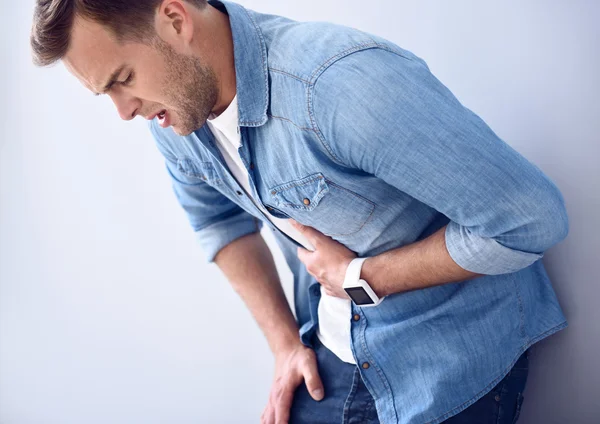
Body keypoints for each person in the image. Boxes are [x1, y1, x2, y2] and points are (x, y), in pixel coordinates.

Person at [31, 1, 569, 423]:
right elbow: (218, 224)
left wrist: (361, 278)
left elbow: (528, 220)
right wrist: (284, 343)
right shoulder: (175, 118)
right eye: (106, 93)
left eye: (122, 78)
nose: (124, 112)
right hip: (328, 355)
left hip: (447, 361)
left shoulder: (340, 87)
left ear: (173, 19)